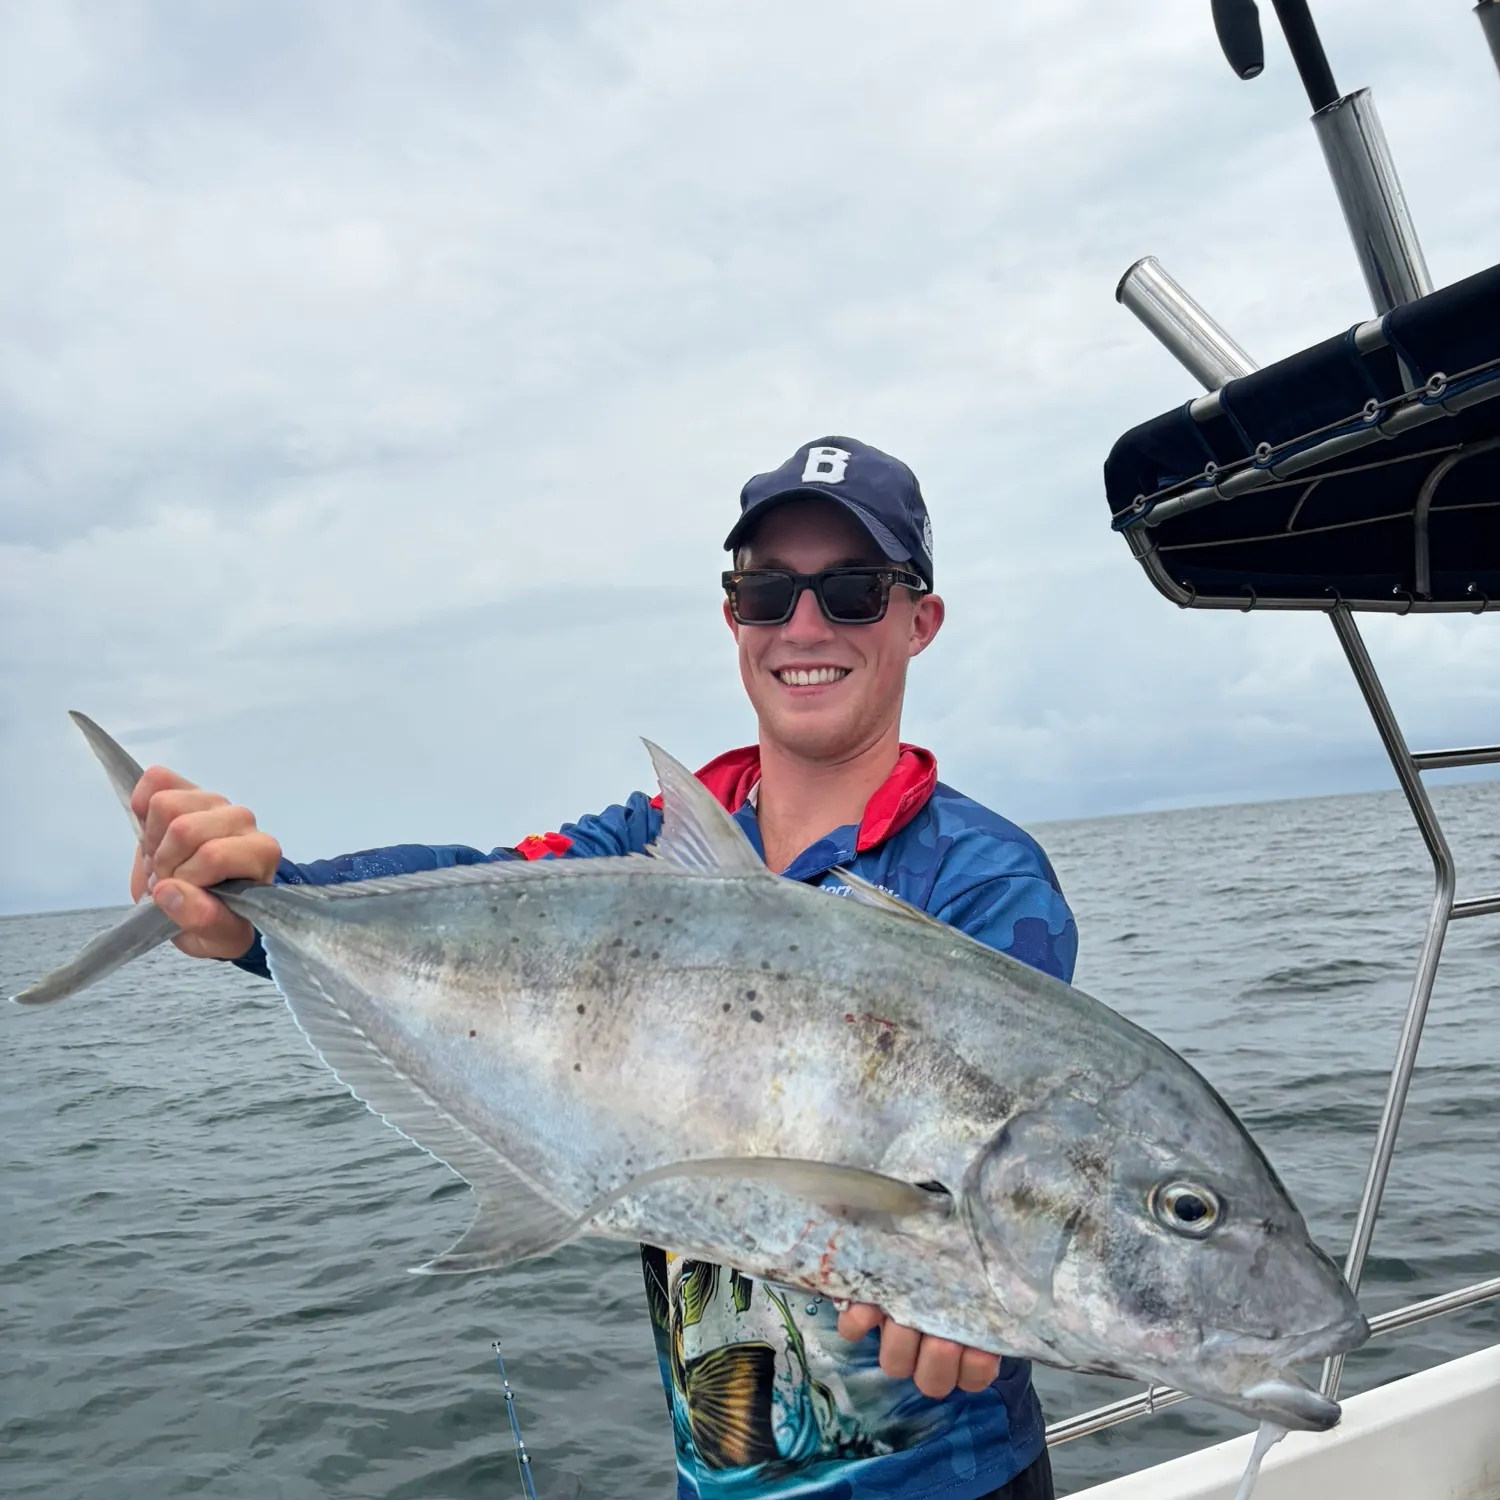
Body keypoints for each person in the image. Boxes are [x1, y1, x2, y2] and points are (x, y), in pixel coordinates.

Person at [129, 437, 1079, 1500]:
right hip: (717, 1480)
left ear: (920, 620)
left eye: (852, 591)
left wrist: (984, 1304)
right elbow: (474, 897)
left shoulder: (983, 880)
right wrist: (262, 901)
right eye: (767, 592)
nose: (803, 627)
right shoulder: (648, 846)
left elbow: (1012, 1195)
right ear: (733, 619)